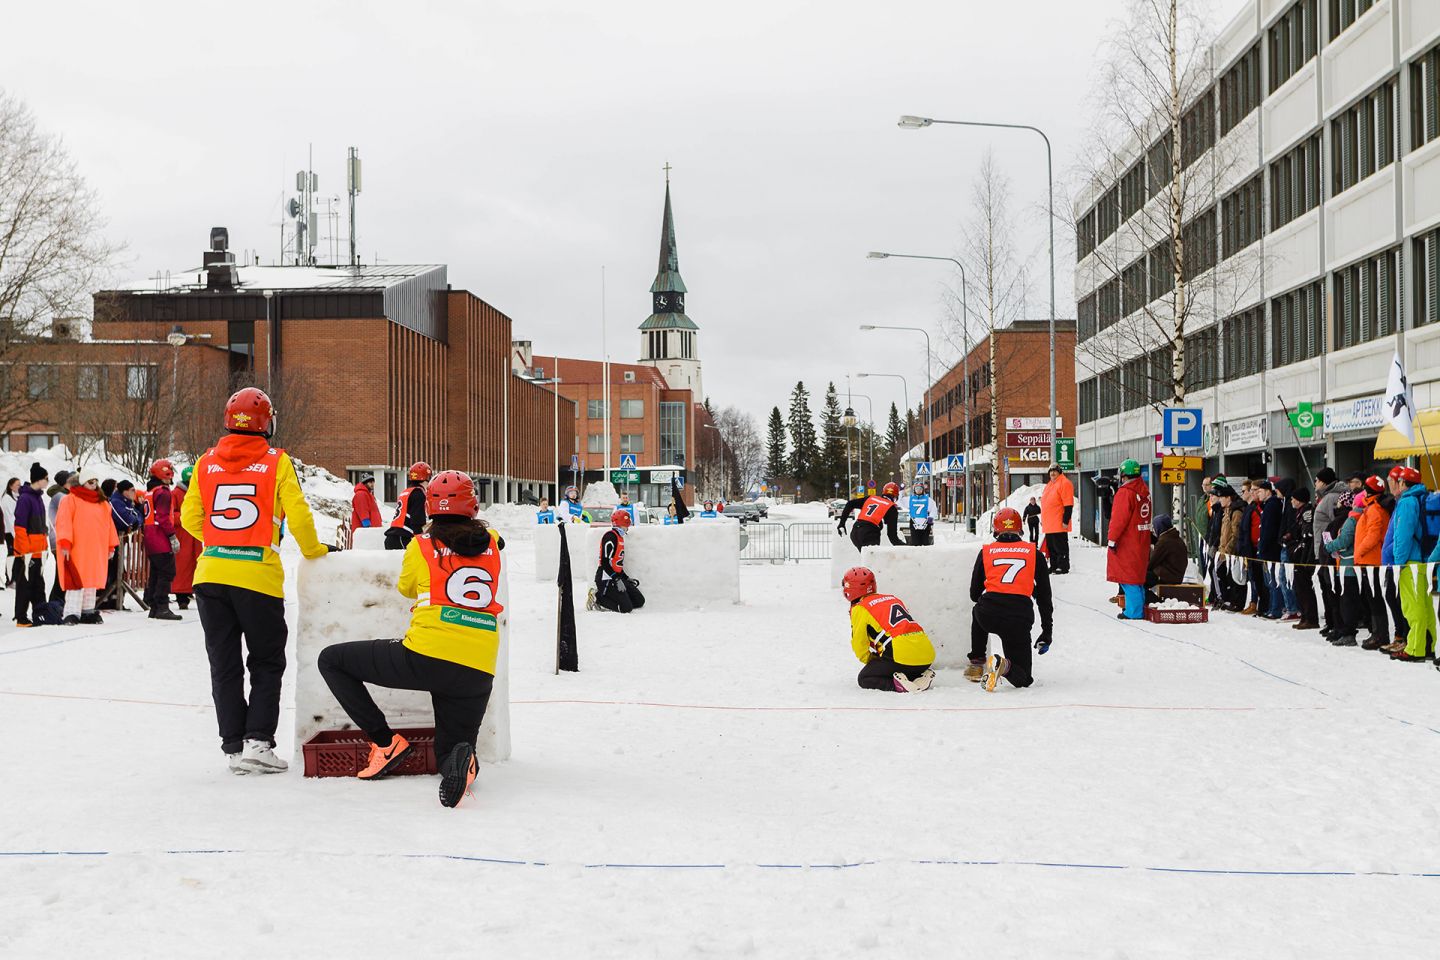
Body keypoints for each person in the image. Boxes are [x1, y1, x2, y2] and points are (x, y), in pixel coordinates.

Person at [318, 471, 500, 808]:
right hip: (478, 667)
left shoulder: (421, 545)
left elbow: (405, 588)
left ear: (430, 506)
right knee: (449, 754)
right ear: (473, 504)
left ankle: (386, 744)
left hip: (426, 656)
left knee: (332, 660)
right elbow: (492, 538)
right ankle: (464, 759)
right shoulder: (492, 542)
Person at [181, 387, 334, 774]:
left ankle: (233, 745)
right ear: (268, 422)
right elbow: (297, 515)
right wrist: (314, 550)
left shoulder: (205, 462)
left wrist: (220, 541)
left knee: (224, 663)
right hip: (257, 578)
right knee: (265, 662)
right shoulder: (276, 461)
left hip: (211, 576)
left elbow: (189, 519)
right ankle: (259, 743)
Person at [965, 507, 1054, 691]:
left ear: (995, 530)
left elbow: (974, 594)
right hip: (1018, 619)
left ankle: (977, 660)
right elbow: (1044, 597)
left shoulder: (986, 552)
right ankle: (1003, 666)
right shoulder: (1034, 554)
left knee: (978, 609)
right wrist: (1047, 631)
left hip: (988, 615)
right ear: (1020, 529)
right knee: (1023, 678)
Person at [841, 566, 935, 692]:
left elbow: (859, 643)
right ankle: (919, 676)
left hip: (901, 655)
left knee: (865, 678)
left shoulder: (860, 608)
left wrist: (871, 662)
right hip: (927, 655)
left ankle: (899, 686)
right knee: (899, 662)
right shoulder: (892, 598)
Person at [53, 466, 118, 625]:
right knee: (76, 580)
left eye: (96, 481)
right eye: (90, 481)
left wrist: (110, 546)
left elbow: (109, 526)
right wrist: (65, 543)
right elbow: (63, 521)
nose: (94, 484)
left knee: (92, 580)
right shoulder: (70, 500)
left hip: (96, 548)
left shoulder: (102, 503)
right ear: (82, 482)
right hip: (77, 549)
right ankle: (71, 612)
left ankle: (87, 610)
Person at [1390, 465, 1436, 662]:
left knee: (1412, 606)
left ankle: (1415, 648)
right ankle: (1433, 645)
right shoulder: (1424, 498)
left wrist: (1398, 562)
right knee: (1426, 605)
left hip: (1411, 561)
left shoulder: (1407, 502)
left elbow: (1403, 535)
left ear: (1403, 483)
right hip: (1426, 560)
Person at [1106, 459, 1152, 620]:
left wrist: (1112, 539)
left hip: (1127, 542)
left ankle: (1134, 612)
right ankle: (1137, 608)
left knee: (1128, 577)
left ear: (1124, 475)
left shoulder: (1125, 493)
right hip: (1141, 541)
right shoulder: (1144, 491)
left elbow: (1118, 519)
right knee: (1137, 577)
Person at [140, 459, 182, 621]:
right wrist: (172, 535)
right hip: (159, 536)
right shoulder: (163, 492)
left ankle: (155, 607)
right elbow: (163, 517)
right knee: (167, 571)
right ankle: (162, 606)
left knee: (156, 572)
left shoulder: (150, 491)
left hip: (150, 535)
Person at [1353, 475, 1391, 648]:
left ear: (1368, 491)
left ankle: (1380, 634)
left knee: (1374, 598)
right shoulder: (1372, 508)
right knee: (1372, 597)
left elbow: (1373, 536)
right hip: (1369, 559)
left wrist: (1359, 553)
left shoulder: (1375, 509)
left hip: (1371, 560)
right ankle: (1377, 632)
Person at [12, 463, 51, 627]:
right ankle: (21, 617)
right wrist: (25, 553)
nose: (47, 481)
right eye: (46, 479)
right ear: (38, 480)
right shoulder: (25, 499)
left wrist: (44, 548)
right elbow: (20, 528)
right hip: (27, 553)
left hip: (39, 551)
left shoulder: (39, 498)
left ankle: (40, 614)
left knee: (38, 585)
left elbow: (40, 526)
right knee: (25, 586)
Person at [1321, 491, 1362, 646]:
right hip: (1347, 564)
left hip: (1348, 565)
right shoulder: (1354, 518)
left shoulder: (1352, 519)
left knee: (1347, 600)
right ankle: (1345, 630)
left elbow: (1344, 540)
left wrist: (1329, 547)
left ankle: (1348, 632)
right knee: (1348, 599)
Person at [589, 508, 644, 613]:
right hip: (606, 578)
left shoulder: (619, 537)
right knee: (626, 608)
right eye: (626, 525)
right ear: (619, 524)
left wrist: (625, 578)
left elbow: (616, 564)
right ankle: (597, 598)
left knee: (639, 601)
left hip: (615, 576)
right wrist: (616, 579)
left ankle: (620, 598)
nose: (627, 528)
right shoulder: (610, 537)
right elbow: (605, 563)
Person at [102, 479, 143, 612]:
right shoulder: (116, 502)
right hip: (111, 540)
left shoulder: (127, 502)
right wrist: (134, 522)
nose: (134, 493)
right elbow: (125, 519)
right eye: (132, 490)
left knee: (118, 570)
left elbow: (137, 517)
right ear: (124, 491)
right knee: (111, 570)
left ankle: (116, 600)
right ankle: (105, 600)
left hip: (119, 540)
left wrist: (136, 521)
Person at [1312, 468, 1343, 638]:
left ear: (1324, 482)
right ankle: (1331, 621)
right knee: (1325, 588)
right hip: (1322, 548)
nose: (1315, 483)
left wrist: (1330, 547)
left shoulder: (1331, 497)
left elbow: (1336, 523)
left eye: (1317, 480)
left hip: (1329, 549)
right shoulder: (1325, 497)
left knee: (1331, 588)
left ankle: (1336, 623)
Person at [1285, 487, 1319, 630]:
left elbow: (1306, 536)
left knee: (1305, 588)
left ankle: (1310, 618)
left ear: (1299, 500)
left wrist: (1297, 548)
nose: (1291, 501)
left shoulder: (1306, 513)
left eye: (1293, 499)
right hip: (1299, 556)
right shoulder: (1299, 513)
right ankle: (1305, 616)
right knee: (1299, 588)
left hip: (1305, 557)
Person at [836, 482, 903, 550]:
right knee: (873, 559)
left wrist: (842, 524)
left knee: (867, 558)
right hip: (869, 534)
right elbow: (893, 537)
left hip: (855, 531)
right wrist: (908, 548)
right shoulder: (891, 508)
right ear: (895, 497)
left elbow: (850, 504)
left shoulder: (871, 498)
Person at [171, 466, 201, 610]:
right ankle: (181, 596)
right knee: (183, 565)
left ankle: (194, 590)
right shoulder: (176, 493)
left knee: (197, 563)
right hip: (183, 535)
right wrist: (186, 518)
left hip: (196, 535)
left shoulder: (199, 492)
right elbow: (171, 514)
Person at [385, 462, 432, 550]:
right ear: (426, 478)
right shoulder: (419, 494)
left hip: (394, 536)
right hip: (403, 538)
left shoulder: (407, 491)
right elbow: (417, 520)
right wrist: (421, 542)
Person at [46, 470, 75, 603]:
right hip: (57, 539)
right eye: (71, 481)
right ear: (64, 483)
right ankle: (56, 601)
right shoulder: (59, 496)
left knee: (63, 573)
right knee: (61, 574)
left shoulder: (65, 494)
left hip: (63, 538)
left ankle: (58, 600)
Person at [1144, 514, 1188, 604]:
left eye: (1155, 527)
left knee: (1138, 581)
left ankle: (1157, 602)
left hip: (1166, 576)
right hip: (1175, 575)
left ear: (1159, 527)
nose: (1154, 530)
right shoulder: (1174, 538)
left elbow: (1151, 563)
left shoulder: (1164, 542)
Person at [1040, 465, 1075, 575]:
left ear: (1059, 472)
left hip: (1059, 523)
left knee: (1060, 546)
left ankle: (1063, 566)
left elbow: (1068, 504)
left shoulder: (1064, 483)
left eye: (1055, 471)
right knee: (1051, 547)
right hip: (1050, 523)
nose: (1052, 473)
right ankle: (1054, 565)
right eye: (1051, 471)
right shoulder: (1050, 485)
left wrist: (1066, 520)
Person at [1256, 480, 1284, 620]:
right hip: (1268, 549)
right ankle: (1273, 608)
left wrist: (1263, 547)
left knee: (1274, 581)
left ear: (1268, 491)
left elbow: (1268, 530)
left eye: (1260, 491)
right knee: (1270, 581)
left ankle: (1276, 609)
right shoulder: (1269, 505)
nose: (1258, 494)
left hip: (1271, 550)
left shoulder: (1272, 506)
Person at [904, 481, 938, 546]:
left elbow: (934, 509)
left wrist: (931, 517)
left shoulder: (928, 499)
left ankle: (925, 555)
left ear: (923, 490)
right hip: (914, 522)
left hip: (925, 522)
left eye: (920, 489)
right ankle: (916, 555)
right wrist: (901, 491)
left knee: (925, 542)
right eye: (917, 489)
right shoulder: (910, 499)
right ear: (914, 490)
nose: (918, 490)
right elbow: (900, 502)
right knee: (915, 542)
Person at [2, 477, 19, 589]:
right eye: (17, 485)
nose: (19, 487)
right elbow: (9, 518)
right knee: (12, 554)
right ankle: (10, 579)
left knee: (15, 555)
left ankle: (14, 577)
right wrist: (15, 534)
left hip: (15, 531)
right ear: (10, 486)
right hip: (10, 531)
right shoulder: (6, 499)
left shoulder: (14, 498)